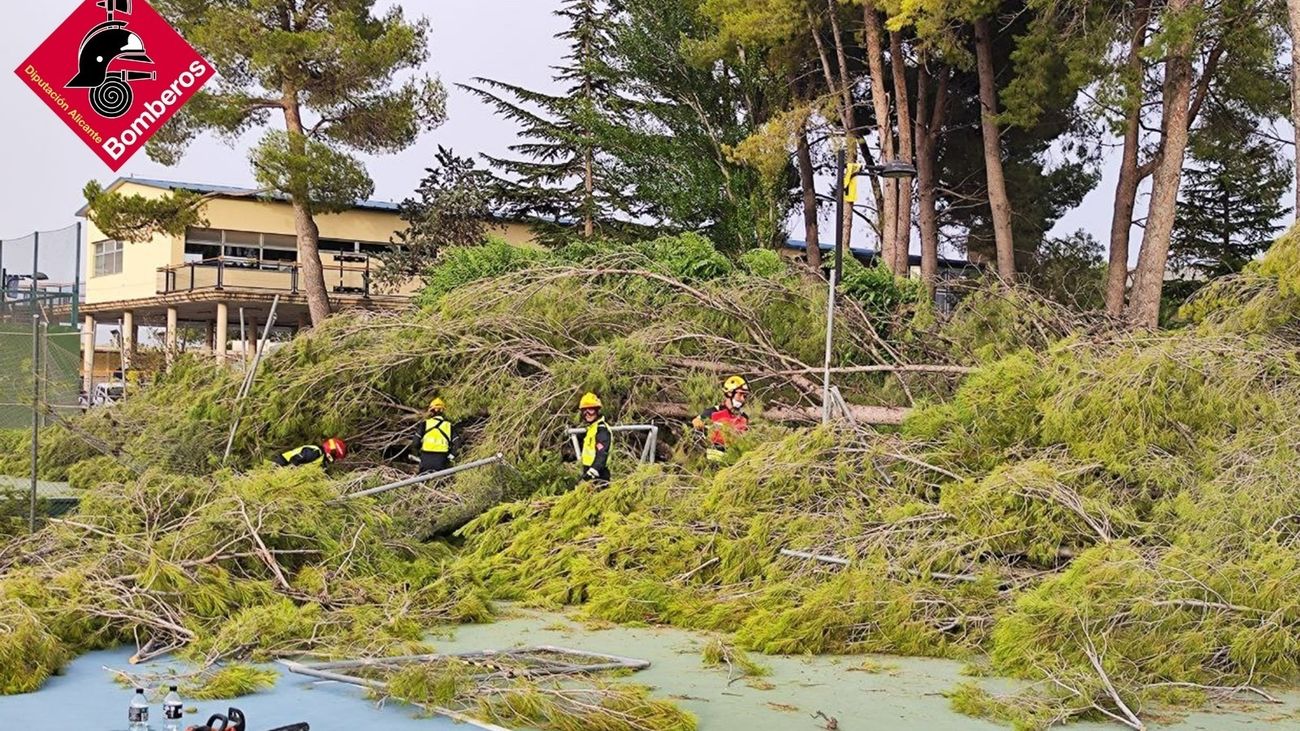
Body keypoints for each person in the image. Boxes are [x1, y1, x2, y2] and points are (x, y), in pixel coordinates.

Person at [692, 376, 750, 461]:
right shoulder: (714, 411)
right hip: (713, 459)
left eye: (745, 396)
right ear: (730, 393)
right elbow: (697, 421)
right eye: (740, 394)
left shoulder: (744, 418)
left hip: (735, 460)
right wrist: (698, 423)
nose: (742, 399)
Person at [410, 397, 458, 474]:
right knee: (440, 482)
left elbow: (415, 443)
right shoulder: (449, 426)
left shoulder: (424, 424)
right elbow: (457, 443)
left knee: (424, 479)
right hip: (441, 459)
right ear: (443, 411)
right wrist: (451, 456)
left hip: (426, 458)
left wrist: (418, 455)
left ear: (431, 411)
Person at [577, 392, 612, 483]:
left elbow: (602, 453)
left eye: (591, 410)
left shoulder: (601, 430)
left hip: (598, 474)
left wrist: (592, 472)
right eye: (584, 410)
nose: (587, 413)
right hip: (589, 471)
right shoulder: (592, 429)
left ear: (597, 411)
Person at [273, 437, 347, 468]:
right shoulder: (315, 452)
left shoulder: (319, 456)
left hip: (283, 465)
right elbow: (295, 460)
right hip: (281, 464)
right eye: (335, 457)